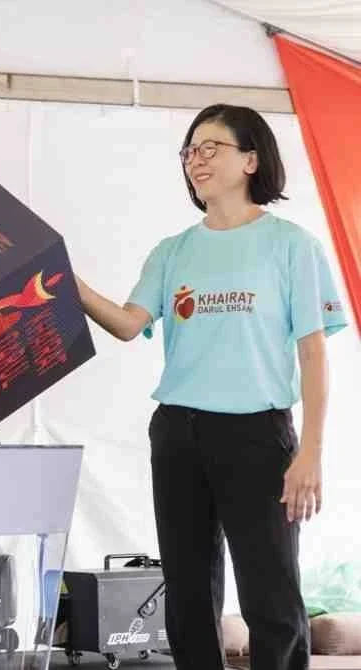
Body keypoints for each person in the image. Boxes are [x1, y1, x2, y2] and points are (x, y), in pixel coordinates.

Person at [75, 103, 347, 670]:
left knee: (270, 589)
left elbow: (314, 353)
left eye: (210, 147)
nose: (196, 159)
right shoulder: (172, 251)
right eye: (189, 150)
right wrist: (66, 280)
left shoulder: (291, 245)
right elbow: (128, 324)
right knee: (190, 587)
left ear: (251, 159)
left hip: (257, 433)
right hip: (178, 431)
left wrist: (311, 453)